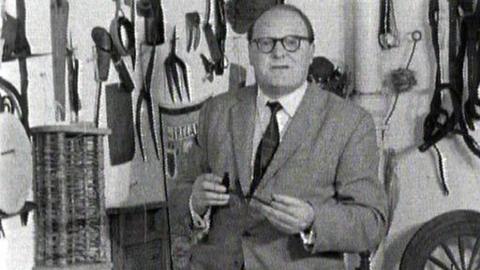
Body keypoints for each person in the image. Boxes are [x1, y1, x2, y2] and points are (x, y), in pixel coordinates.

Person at [170, 4, 388, 270]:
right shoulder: (217, 111)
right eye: (266, 43)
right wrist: (195, 202)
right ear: (250, 52)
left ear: (310, 52)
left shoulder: (350, 123)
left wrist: (312, 220)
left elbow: (371, 222)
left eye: (292, 42)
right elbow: (178, 197)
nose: (279, 52)